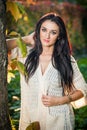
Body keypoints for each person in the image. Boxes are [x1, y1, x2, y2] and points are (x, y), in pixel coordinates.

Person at [7, 12, 87, 130]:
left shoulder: (66, 60)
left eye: (53, 32)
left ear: (59, 36)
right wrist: (26, 39)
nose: (47, 36)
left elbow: (83, 89)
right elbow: (3, 47)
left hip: (59, 122)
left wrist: (61, 100)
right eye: (44, 30)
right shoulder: (25, 54)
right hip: (30, 121)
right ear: (38, 31)